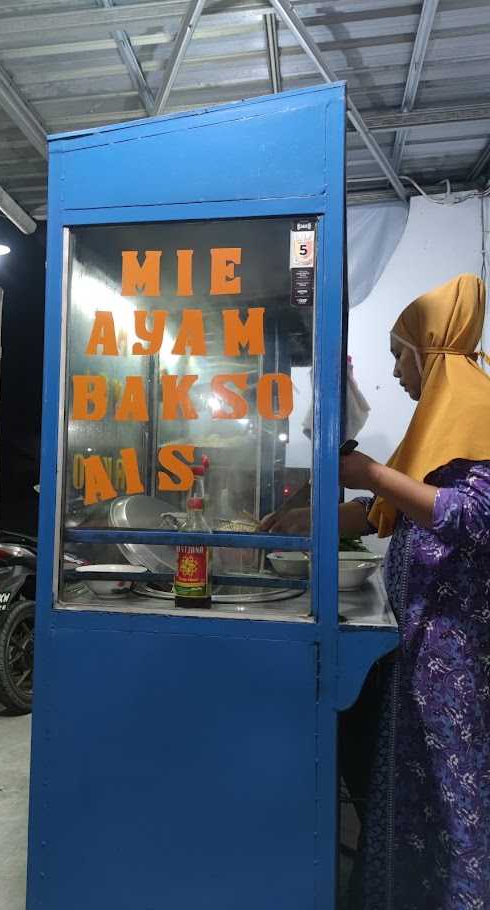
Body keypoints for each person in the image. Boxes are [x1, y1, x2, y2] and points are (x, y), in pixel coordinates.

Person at [262, 274, 490, 909]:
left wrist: (373, 473)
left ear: (430, 351)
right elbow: (391, 511)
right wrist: (311, 519)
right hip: (424, 648)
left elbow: (471, 517)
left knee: (454, 796)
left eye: (400, 355)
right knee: (413, 793)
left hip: (457, 661)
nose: (395, 372)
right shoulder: (441, 422)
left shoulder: (479, 414)